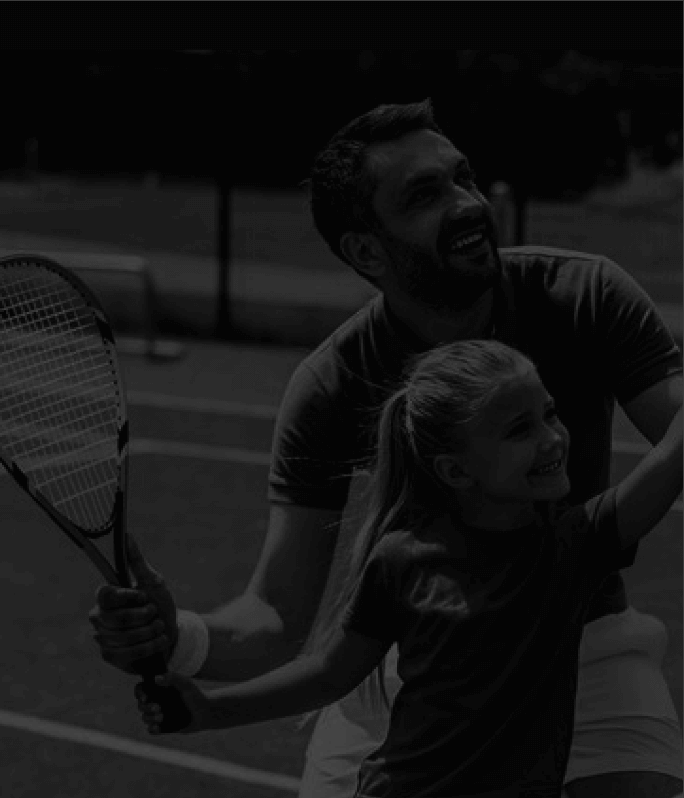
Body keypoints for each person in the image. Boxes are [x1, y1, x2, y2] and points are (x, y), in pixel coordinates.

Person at [89, 100, 683, 797]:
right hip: (409, 662)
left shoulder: (583, 294)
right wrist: (177, 640)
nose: (467, 204)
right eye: (426, 195)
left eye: (463, 178)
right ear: (367, 250)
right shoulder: (332, 383)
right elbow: (279, 618)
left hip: (585, 649)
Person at [136, 339, 683, 797]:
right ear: (454, 469)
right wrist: (209, 710)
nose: (552, 438)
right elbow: (329, 673)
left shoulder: (577, 542)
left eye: (550, 413)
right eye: (519, 429)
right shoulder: (401, 559)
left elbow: (671, 456)